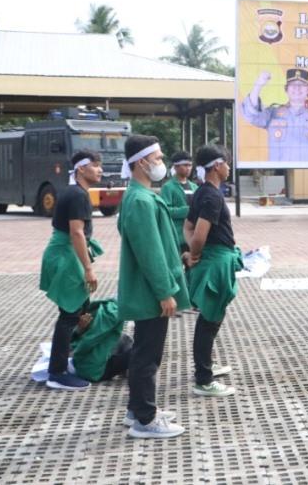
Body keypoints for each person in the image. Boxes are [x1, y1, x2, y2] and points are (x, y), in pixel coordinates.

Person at [117, 135, 190, 439]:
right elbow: (150, 253)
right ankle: (146, 420)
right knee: (147, 356)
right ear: (140, 163)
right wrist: (164, 291)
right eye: (157, 158)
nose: (161, 163)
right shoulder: (140, 201)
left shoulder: (141, 196)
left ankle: (136, 410)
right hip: (150, 293)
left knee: (143, 352)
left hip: (148, 291)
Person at [39, 150, 105, 391]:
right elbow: (76, 233)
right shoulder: (78, 195)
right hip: (66, 255)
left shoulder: (75, 192)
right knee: (69, 315)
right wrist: (88, 269)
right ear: (81, 169)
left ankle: (67, 363)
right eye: (95, 165)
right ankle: (57, 373)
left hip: (65, 253)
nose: (100, 170)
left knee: (77, 312)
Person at [184, 145, 243, 398]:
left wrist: (193, 252)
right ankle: (204, 379)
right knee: (209, 320)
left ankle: (206, 364)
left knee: (212, 317)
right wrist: (194, 252)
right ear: (217, 165)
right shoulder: (212, 196)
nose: (229, 168)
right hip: (215, 262)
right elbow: (198, 234)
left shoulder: (202, 192)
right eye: (227, 163)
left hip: (213, 259)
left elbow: (187, 227)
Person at [240, 69, 308, 161]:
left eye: (301, 85)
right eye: (293, 85)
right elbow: (251, 115)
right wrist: (257, 86)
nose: (297, 88)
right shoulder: (273, 113)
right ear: (286, 89)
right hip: (283, 174)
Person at [70, 298, 133, 384]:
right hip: (95, 372)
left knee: (124, 338)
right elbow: (87, 342)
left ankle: (129, 366)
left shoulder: (99, 307)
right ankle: (133, 369)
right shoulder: (113, 314)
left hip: (83, 362)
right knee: (142, 351)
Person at [160, 151, 197, 252]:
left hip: (193, 236)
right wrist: (187, 211)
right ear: (175, 167)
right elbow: (165, 211)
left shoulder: (194, 187)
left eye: (190, 165)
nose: (188, 168)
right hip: (177, 237)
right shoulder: (168, 187)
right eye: (185, 165)